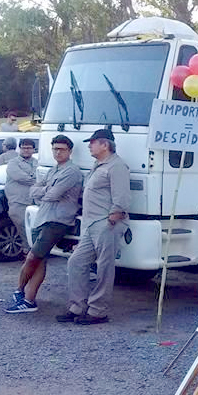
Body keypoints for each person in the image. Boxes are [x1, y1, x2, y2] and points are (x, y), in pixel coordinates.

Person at [57, 129, 130, 325]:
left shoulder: (117, 166)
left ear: (105, 145)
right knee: (76, 262)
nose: (89, 146)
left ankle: (98, 311)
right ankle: (77, 307)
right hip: (91, 224)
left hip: (106, 224)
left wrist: (112, 219)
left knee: (104, 267)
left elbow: (122, 197)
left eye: (93, 142)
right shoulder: (98, 165)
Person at [6, 135, 82, 314]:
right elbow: (33, 190)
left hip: (57, 221)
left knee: (33, 256)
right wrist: (45, 190)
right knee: (39, 260)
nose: (58, 152)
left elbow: (52, 195)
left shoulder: (71, 171)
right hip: (43, 217)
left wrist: (43, 191)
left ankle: (19, 291)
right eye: (55, 149)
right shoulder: (53, 170)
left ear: (70, 151)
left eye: (62, 149)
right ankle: (29, 300)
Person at [5, 138, 38, 254]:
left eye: (29, 148)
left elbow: (43, 177)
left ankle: (33, 254)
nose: (26, 150)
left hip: (33, 202)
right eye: (23, 148)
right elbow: (22, 178)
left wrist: (35, 179)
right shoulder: (13, 163)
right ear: (19, 149)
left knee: (33, 230)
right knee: (23, 228)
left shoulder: (37, 162)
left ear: (34, 150)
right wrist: (36, 180)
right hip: (17, 202)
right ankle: (27, 253)